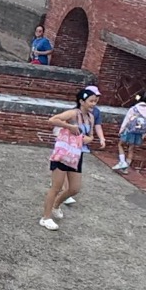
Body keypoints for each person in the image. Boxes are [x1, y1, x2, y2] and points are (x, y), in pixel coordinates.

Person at [39, 85, 105, 228]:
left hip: (76, 155)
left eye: (95, 101)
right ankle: (46, 217)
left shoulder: (91, 117)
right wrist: (69, 127)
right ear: (82, 101)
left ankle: (56, 204)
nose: (93, 104)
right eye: (91, 101)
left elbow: (90, 135)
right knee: (56, 187)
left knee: (74, 188)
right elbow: (52, 120)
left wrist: (88, 139)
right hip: (63, 153)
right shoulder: (73, 113)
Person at [115, 93, 146, 172]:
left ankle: (122, 162)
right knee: (131, 149)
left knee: (120, 144)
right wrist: (143, 134)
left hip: (129, 130)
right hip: (139, 133)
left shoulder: (134, 108)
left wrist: (121, 130)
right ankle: (125, 168)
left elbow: (127, 119)